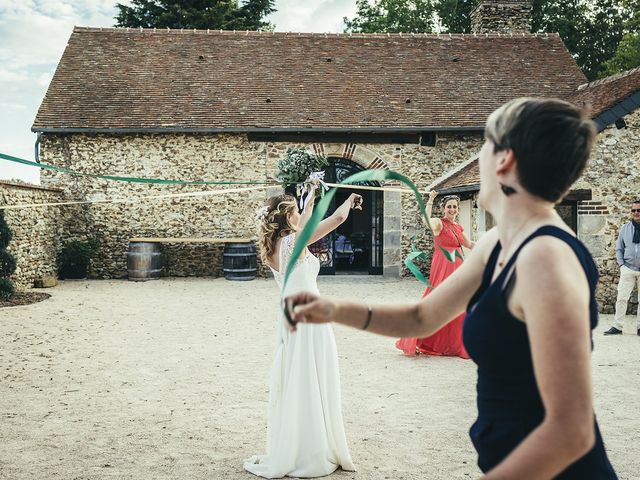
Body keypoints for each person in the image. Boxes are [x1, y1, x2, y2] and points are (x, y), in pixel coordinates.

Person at [286, 98, 618, 479]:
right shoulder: (499, 241)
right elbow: (422, 316)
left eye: (484, 144)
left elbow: (571, 431)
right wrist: (334, 309)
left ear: (504, 161)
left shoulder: (547, 260)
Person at [243, 186, 362, 478]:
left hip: (292, 317)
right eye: (295, 210)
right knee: (312, 376)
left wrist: (309, 200)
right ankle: (311, 449)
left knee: (298, 376)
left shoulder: (277, 246)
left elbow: (310, 218)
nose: (301, 213)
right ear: (286, 218)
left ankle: (297, 443)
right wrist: (347, 200)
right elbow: (334, 221)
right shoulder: (293, 242)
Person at [396, 190, 474, 358]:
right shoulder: (439, 223)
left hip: (458, 269)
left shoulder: (458, 227)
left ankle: (455, 344)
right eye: (449, 207)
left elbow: (470, 244)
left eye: (454, 207)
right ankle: (415, 338)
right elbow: (425, 220)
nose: (452, 209)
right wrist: (430, 199)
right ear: (443, 208)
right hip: (443, 267)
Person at [604, 200, 640, 336]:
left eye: (639, 210)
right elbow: (619, 248)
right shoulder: (625, 229)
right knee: (622, 298)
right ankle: (617, 326)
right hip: (628, 268)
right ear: (631, 212)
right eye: (634, 210)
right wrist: (621, 265)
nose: (636, 213)